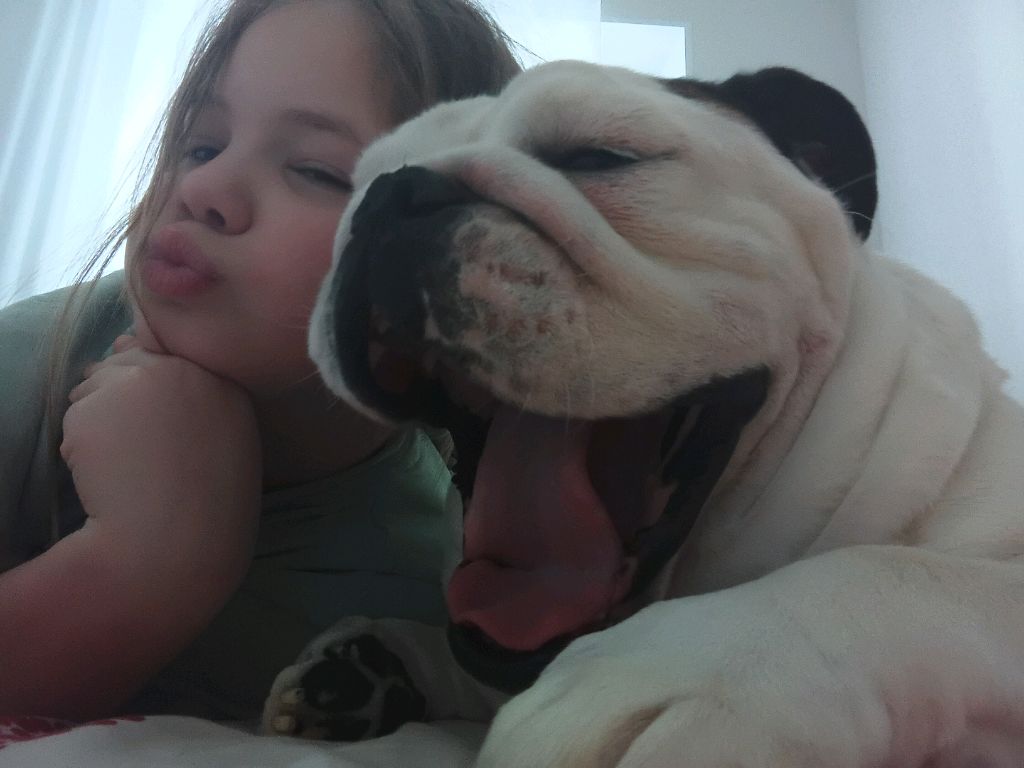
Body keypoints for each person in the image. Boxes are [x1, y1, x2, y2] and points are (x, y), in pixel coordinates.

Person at [0, 0, 520, 723]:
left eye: (314, 170)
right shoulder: (33, 356)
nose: (202, 190)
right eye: (201, 146)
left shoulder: (409, 612)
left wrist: (155, 559)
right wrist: (138, 568)